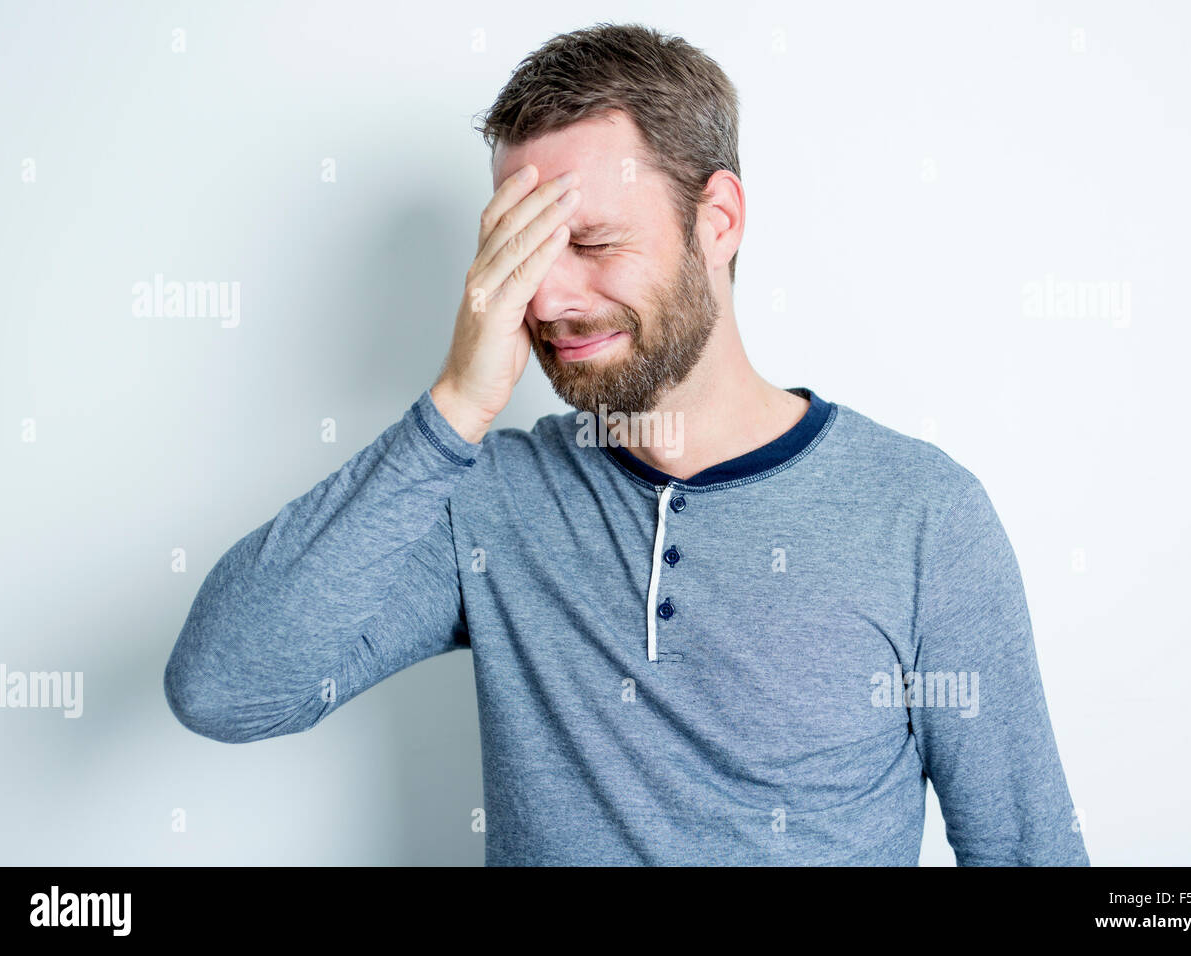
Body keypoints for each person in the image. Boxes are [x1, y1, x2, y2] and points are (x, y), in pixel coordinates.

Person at [164, 22, 1089, 866]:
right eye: (521, 255)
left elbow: (1026, 851)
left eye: (594, 243)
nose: (550, 300)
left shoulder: (921, 514)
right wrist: (454, 406)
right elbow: (226, 690)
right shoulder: (486, 497)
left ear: (717, 221)